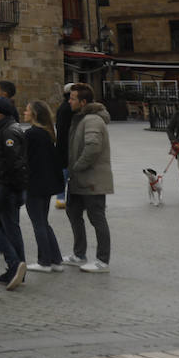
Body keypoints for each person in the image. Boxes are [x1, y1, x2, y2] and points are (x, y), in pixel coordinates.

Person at [64, 83, 113, 273]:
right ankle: (79, 253)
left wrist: (77, 166)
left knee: (96, 217)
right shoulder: (81, 118)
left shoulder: (92, 120)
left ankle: (102, 260)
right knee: (73, 212)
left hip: (92, 179)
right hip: (79, 180)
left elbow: (92, 147)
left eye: (73, 98)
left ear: (83, 102)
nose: (69, 101)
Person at [0, 96, 28, 291]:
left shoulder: (9, 131)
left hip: (6, 188)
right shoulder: (5, 128)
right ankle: (17, 267)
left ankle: (15, 265)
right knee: (8, 229)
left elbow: (15, 165)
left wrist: (12, 190)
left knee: (3, 229)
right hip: (6, 187)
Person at [22, 100, 64, 272]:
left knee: (38, 223)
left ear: (34, 114)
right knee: (43, 222)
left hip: (35, 184)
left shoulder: (32, 134)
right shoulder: (46, 133)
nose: (24, 112)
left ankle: (44, 261)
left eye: (27, 110)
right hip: (46, 183)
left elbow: (26, 160)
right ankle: (55, 259)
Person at [54, 84, 75, 209]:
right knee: (65, 173)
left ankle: (61, 198)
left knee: (64, 173)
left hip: (63, 144)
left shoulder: (63, 107)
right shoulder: (69, 108)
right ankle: (61, 198)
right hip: (67, 145)